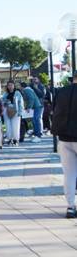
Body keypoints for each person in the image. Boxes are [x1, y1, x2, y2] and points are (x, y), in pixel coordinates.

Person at [51, 70, 77, 218]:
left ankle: (70, 206)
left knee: (69, 174)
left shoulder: (61, 92)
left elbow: (55, 111)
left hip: (64, 137)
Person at [2, 80, 24, 146]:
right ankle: (9, 138)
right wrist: (5, 102)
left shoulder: (17, 93)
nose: (10, 87)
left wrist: (20, 112)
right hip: (7, 111)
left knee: (16, 125)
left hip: (16, 111)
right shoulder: (5, 93)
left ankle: (16, 139)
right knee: (8, 125)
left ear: (14, 86)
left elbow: (21, 103)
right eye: (9, 85)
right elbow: (2, 101)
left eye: (11, 85)